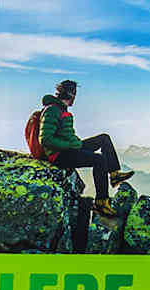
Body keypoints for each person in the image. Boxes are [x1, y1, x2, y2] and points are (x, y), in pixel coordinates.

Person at [38, 80, 133, 216]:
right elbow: (45, 139)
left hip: (70, 148)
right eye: (74, 94)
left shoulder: (60, 109)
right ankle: (101, 202)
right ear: (70, 94)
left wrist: (73, 143)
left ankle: (114, 175)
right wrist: (70, 145)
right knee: (99, 160)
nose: (75, 98)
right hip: (60, 155)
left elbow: (64, 134)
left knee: (104, 139)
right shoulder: (52, 110)